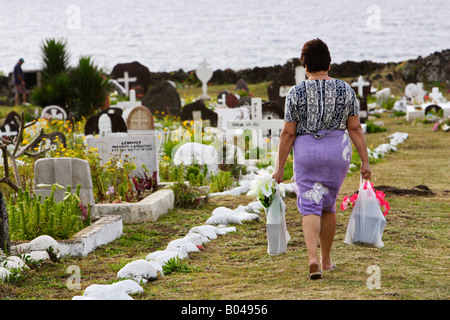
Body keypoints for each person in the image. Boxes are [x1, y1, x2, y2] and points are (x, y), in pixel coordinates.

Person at [272, 39, 371, 280]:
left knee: (309, 207)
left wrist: (279, 167)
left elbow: (288, 132)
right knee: (328, 205)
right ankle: (327, 260)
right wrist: (365, 162)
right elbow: (355, 128)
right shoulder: (345, 89)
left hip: (306, 152)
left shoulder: (296, 92)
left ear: (305, 66)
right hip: (336, 152)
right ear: (329, 64)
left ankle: (312, 258)